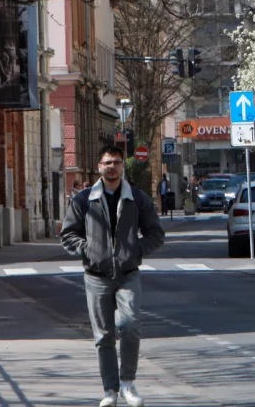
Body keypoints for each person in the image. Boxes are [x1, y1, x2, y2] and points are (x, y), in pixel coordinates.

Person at [60, 146, 166, 407]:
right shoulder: (84, 200)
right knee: (103, 336)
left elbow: (156, 233)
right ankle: (110, 390)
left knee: (130, 325)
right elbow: (68, 234)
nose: (112, 166)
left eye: (117, 162)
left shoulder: (137, 198)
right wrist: (89, 251)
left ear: (123, 167)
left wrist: (134, 251)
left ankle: (128, 382)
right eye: (107, 162)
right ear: (99, 166)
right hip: (96, 276)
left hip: (128, 274)